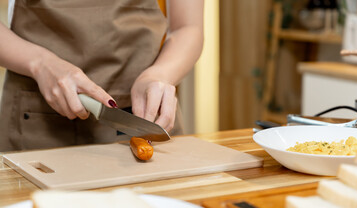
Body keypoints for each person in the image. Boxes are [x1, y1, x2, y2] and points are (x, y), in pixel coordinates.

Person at [0, 0, 204, 151]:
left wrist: (159, 74)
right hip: (36, 123)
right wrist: (40, 64)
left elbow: (188, 27)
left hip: (142, 118)